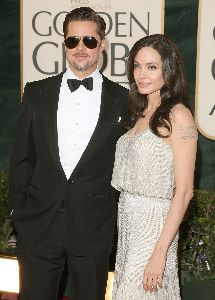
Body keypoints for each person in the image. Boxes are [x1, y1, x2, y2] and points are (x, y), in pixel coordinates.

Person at [9, 7, 128, 300]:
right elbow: (22, 158)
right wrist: (18, 212)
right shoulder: (36, 92)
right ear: (64, 44)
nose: (80, 48)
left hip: (92, 228)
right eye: (72, 41)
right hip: (38, 226)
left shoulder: (124, 100)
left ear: (102, 44)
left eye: (89, 40)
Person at [111, 34, 197, 299]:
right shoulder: (138, 112)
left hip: (154, 229)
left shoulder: (179, 116)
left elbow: (184, 192)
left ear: (168, 70)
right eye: (137, 66)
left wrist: (160, 252)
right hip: (128, 228)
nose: (141, 74)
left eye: (151, 67)